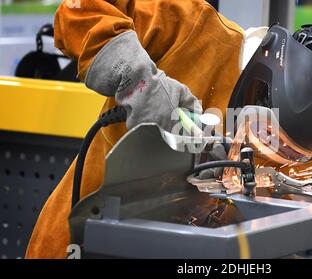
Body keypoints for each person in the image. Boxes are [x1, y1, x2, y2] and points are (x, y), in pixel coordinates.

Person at [26, 0, 268, 259]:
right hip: (82, 237)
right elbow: (78, 11)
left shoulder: (284, 151)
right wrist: (141, 83)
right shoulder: (190, 26)